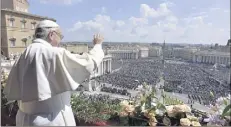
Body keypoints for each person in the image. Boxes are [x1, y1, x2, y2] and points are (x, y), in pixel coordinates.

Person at [3, 20, 105, 126]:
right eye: (60, 36)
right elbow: (87, 63)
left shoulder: (23, 55)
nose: (60, 41)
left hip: (24, 120)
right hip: (51, 120)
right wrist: (98, 45)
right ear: (52, 35)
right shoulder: (53, 53)